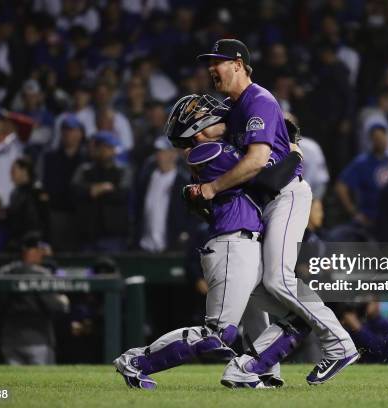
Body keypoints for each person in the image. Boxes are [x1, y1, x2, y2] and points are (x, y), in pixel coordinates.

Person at [193, 39, 357, 385]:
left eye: (218, 61)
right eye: (209, 62)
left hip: (286, 197)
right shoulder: (236, 107)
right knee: (252, 288)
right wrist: (188, 127)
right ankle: (266, 369)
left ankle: (339, 343)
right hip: (263, 204)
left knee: (277, 279)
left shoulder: (260, 100)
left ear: (238, 64)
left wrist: (212, 187)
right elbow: (205, 134)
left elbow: (255, 162)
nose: (211, 68)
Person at [114, 94, 305, 389]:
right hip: (232, 246)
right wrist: (293, 151)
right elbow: (268, 179)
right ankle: (136, 362)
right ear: (199, 127)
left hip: (245, 244)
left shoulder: (218, 148)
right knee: (218, 333)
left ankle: (253, 371)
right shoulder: (210, 152)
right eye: (211, 116)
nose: (220, 117)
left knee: (295, 319)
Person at [0, 232, 69, 365]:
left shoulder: (5, 272)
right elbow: (54, 306)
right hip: (38, 340)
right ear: (33, 251)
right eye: (39, 251)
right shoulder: (41, 274)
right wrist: (63, 302)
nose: (41, 255)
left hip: (10, 339)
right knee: (44, 384)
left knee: (14, 384)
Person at [71, 131, 131, 251]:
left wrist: (94, 191)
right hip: (88, 233)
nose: (110, 151)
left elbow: (122, 194)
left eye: (110, 147)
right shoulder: (85, 170)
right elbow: (75, 190)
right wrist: (100, 188)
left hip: (113, 234)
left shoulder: (123, 170)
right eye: (106, 147)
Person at [131, 136, 191, 252]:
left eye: (163, 151)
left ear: (173, 154)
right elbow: (138, 207)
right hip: (145, 245)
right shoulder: (146, 178)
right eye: (158, 151)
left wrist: (185, 234)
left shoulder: (183, 182)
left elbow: (191, 214)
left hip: (171, 245)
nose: (159, 155)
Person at [335, 124, 388, 235]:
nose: (380, 141)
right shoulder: (363, 162)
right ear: (372, 140)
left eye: (382, 137)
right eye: (377, 138)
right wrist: (353, 212)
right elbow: (340, 186)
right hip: (369, 221)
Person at [41, 115, 88, 250]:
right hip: (57, 212)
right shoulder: (50, 157)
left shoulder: (87, 158)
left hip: (81, 212)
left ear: (80, 134)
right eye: (65, 130)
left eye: (72, 130)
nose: (68, 134)